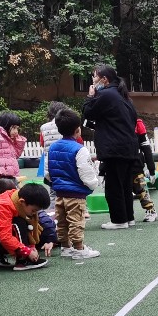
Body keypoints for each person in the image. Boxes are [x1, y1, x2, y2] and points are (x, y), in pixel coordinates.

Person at [82, 64, 141, 229]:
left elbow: (88, 112)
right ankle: (128, 218)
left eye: (95, 76)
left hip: (114, 148)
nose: (93, 80)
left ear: (104, 79)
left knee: (113, 186)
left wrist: (90, 96)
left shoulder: (106, 94)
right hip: (129, 147)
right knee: (125, 185)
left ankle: (119, 220)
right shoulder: (124, 96)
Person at [46, 109, 101, 259]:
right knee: (76, 221)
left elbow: (48, 171)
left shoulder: (53, 147)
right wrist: (93, 184)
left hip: (59, 193)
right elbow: (86, 172)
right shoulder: (80, 149)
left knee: (62, 221)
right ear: (78, 130)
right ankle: (79, 249)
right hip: (76, 194)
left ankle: (65, 247)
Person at [0, 181, 52, 270]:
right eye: (33, 210)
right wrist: (27, 251)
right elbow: (5, 237)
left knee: (22, 222)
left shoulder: (16, 198)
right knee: (19, 222)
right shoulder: (3, 206)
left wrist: (31, 247)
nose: (34, 214)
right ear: (22, 202)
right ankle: (23, 260)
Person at [132, 119, 158, 223]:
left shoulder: (138, 124)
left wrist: (151, 170)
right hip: (120, 162)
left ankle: (150, 209)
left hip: (136, 163)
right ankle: (126, 215)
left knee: (140, 188)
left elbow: (146, 148)